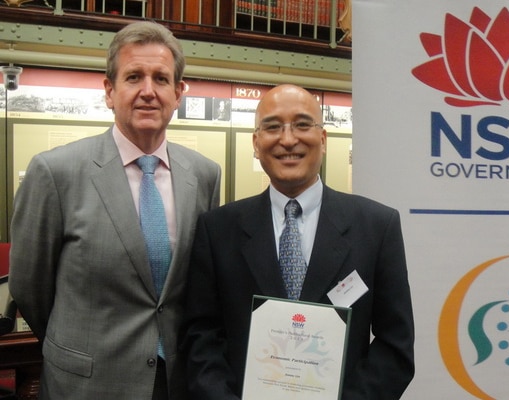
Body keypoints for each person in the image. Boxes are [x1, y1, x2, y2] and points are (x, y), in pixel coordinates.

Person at [9, 21, 221, 400]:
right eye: (133, 77)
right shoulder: (56, 172)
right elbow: (29, 287)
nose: (147, 92)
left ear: (178, 93)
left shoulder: (204, 175)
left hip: (175, 383)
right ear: (109, 91)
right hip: (86, 384)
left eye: (161, 79)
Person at [183, 84, 414, 399]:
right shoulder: (218, 229)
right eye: (273, 127)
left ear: (323, 139)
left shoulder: (376, 226)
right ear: (256, 142)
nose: (288, 139)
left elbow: (395, 344)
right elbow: (201, 337)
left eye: (303, 125)